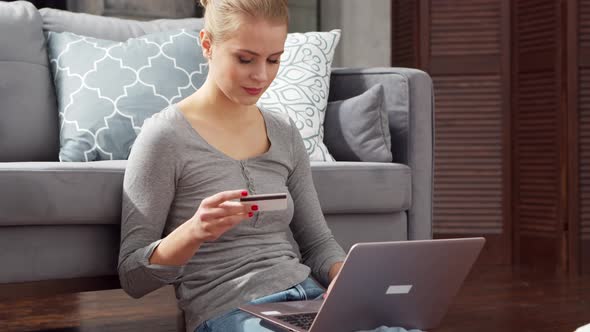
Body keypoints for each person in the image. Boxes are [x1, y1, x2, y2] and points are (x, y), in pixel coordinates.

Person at [117, 1, 418, 331]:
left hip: (309, 299)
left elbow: (317, 243)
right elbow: (133, 277)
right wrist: (193, 231)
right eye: (245, 59)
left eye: (274, 59)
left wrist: (343, 277)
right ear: (207, 44)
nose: (261, 75)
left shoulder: (284, 131)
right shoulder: (165, 136)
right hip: (230, 311)